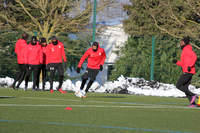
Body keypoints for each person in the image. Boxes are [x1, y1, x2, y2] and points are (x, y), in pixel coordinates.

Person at [173, 36, 198, 107]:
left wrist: (190, 66)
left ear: (185, 43)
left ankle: (193, 95)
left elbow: (195, 57)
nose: (180, 43)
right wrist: (177, 62)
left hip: (188, 71)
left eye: (182, 42)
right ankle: (193, 103)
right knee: (185, 88)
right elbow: (184, 64)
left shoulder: (187, 49)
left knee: (178, 85)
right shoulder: (184, 50)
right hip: (188, 71)